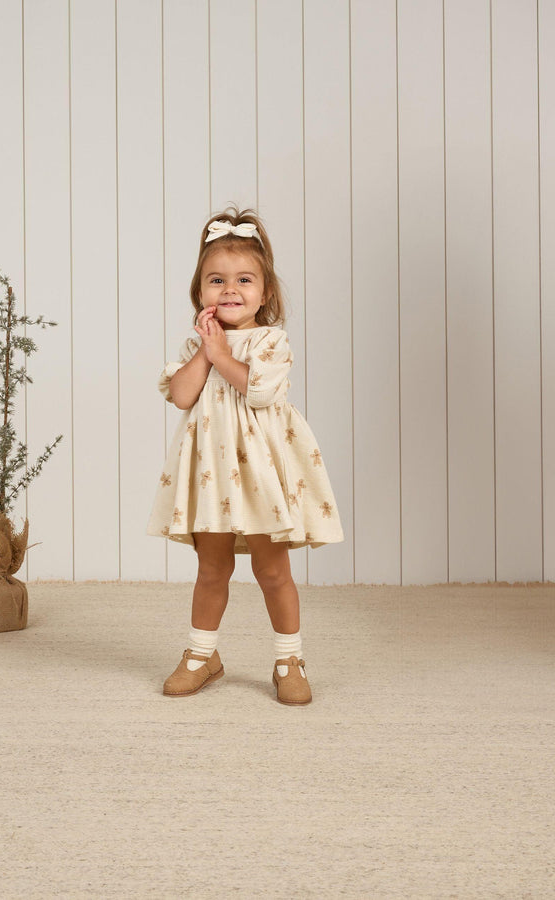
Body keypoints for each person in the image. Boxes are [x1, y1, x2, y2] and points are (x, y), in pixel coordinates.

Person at [147, 207, 344, 705]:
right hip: (213, 473)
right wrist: (205, 349)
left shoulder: (270, 341)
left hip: (260, 474)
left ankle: (288, 658)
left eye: (244, 280)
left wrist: (221, 356)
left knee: (271, 568)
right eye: (216, 280)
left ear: (266, 292)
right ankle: (202, 654)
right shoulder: (202, 345)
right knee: (211, 566)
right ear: (200, 293)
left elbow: (257, 392)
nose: (229, 289)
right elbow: (182, 395)